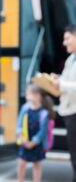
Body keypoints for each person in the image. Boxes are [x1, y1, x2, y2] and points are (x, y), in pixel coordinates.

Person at [16, 84, 56, 182]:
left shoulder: (44, 113)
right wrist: (22, 138)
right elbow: (19, 124)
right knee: (22, 162)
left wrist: (33, 142)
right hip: (25, 140)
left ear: (38, 96)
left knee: (37, 164)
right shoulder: (25, 108)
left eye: (29, 94)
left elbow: (43, 131)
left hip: (37, 143)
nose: (27, 96)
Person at [53, 25, 76, 182]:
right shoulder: (71, 59)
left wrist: (61, 85)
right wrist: (57, 80)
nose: (64, 42)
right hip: (69, 111)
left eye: (68, 38)